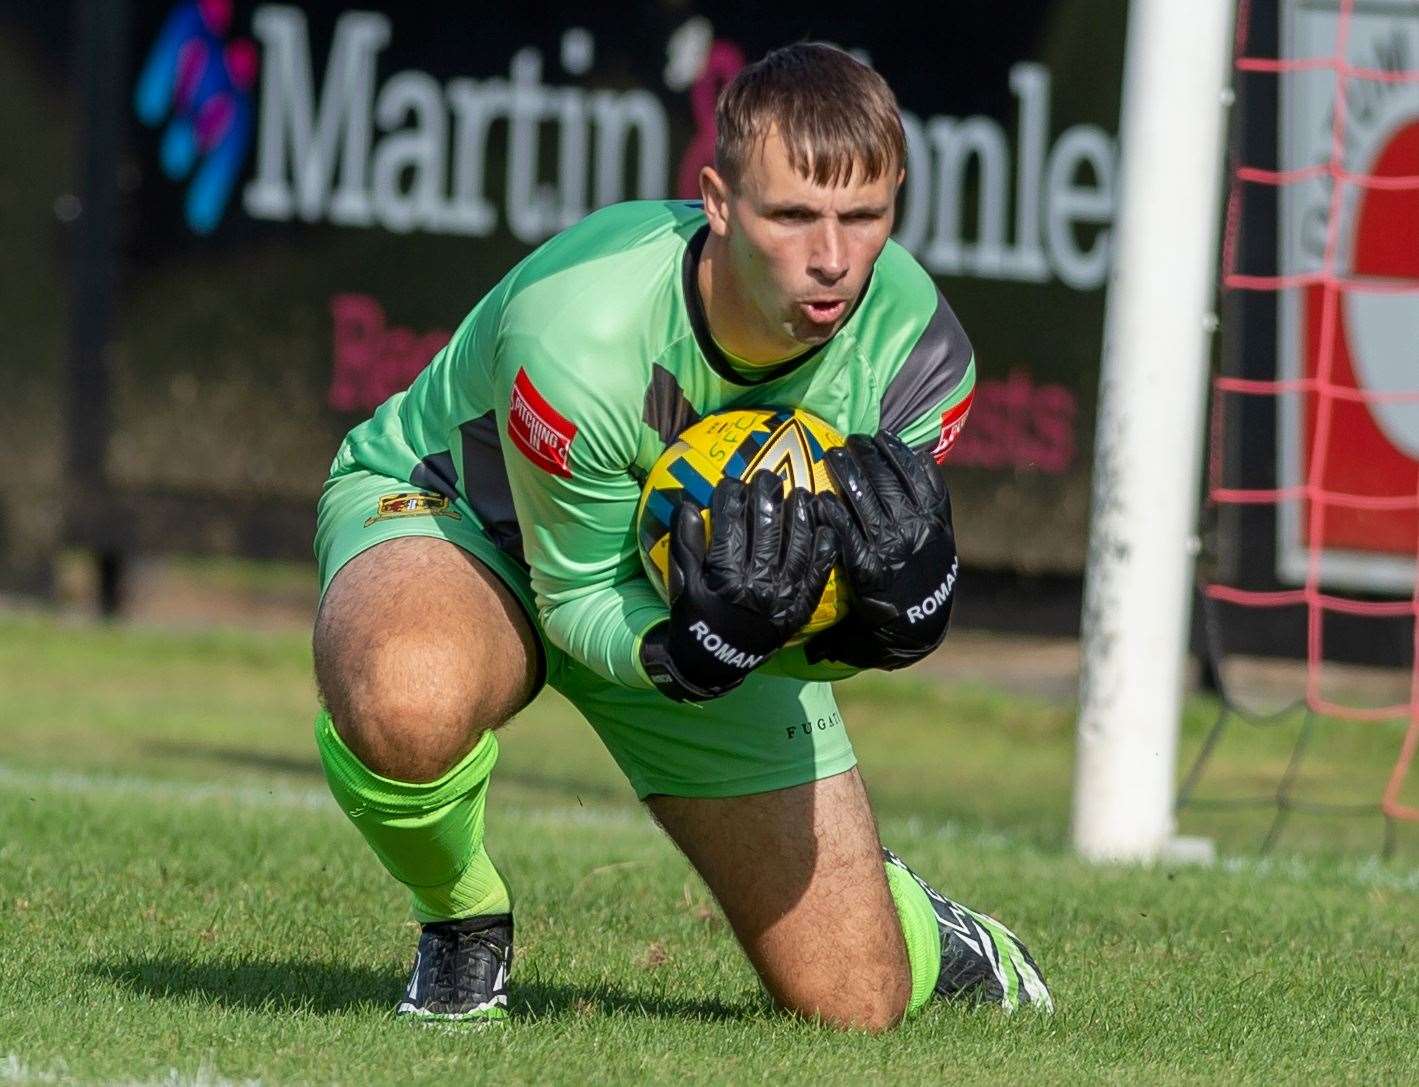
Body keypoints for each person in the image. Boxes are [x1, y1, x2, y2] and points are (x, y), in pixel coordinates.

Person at [311, 42, 1050, 1030]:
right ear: (717, 200)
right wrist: (681, 650)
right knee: (407, 692)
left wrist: (874, 629)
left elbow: (800, 604)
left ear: (897, 200)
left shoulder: (921, 359)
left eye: (863, 216)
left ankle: (929, 925)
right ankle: (461, 922)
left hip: (691, 615)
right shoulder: (577, 333)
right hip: (468, 525)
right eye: (791, 215)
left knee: (855, 1005)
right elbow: (569, 595)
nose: (831, 256)